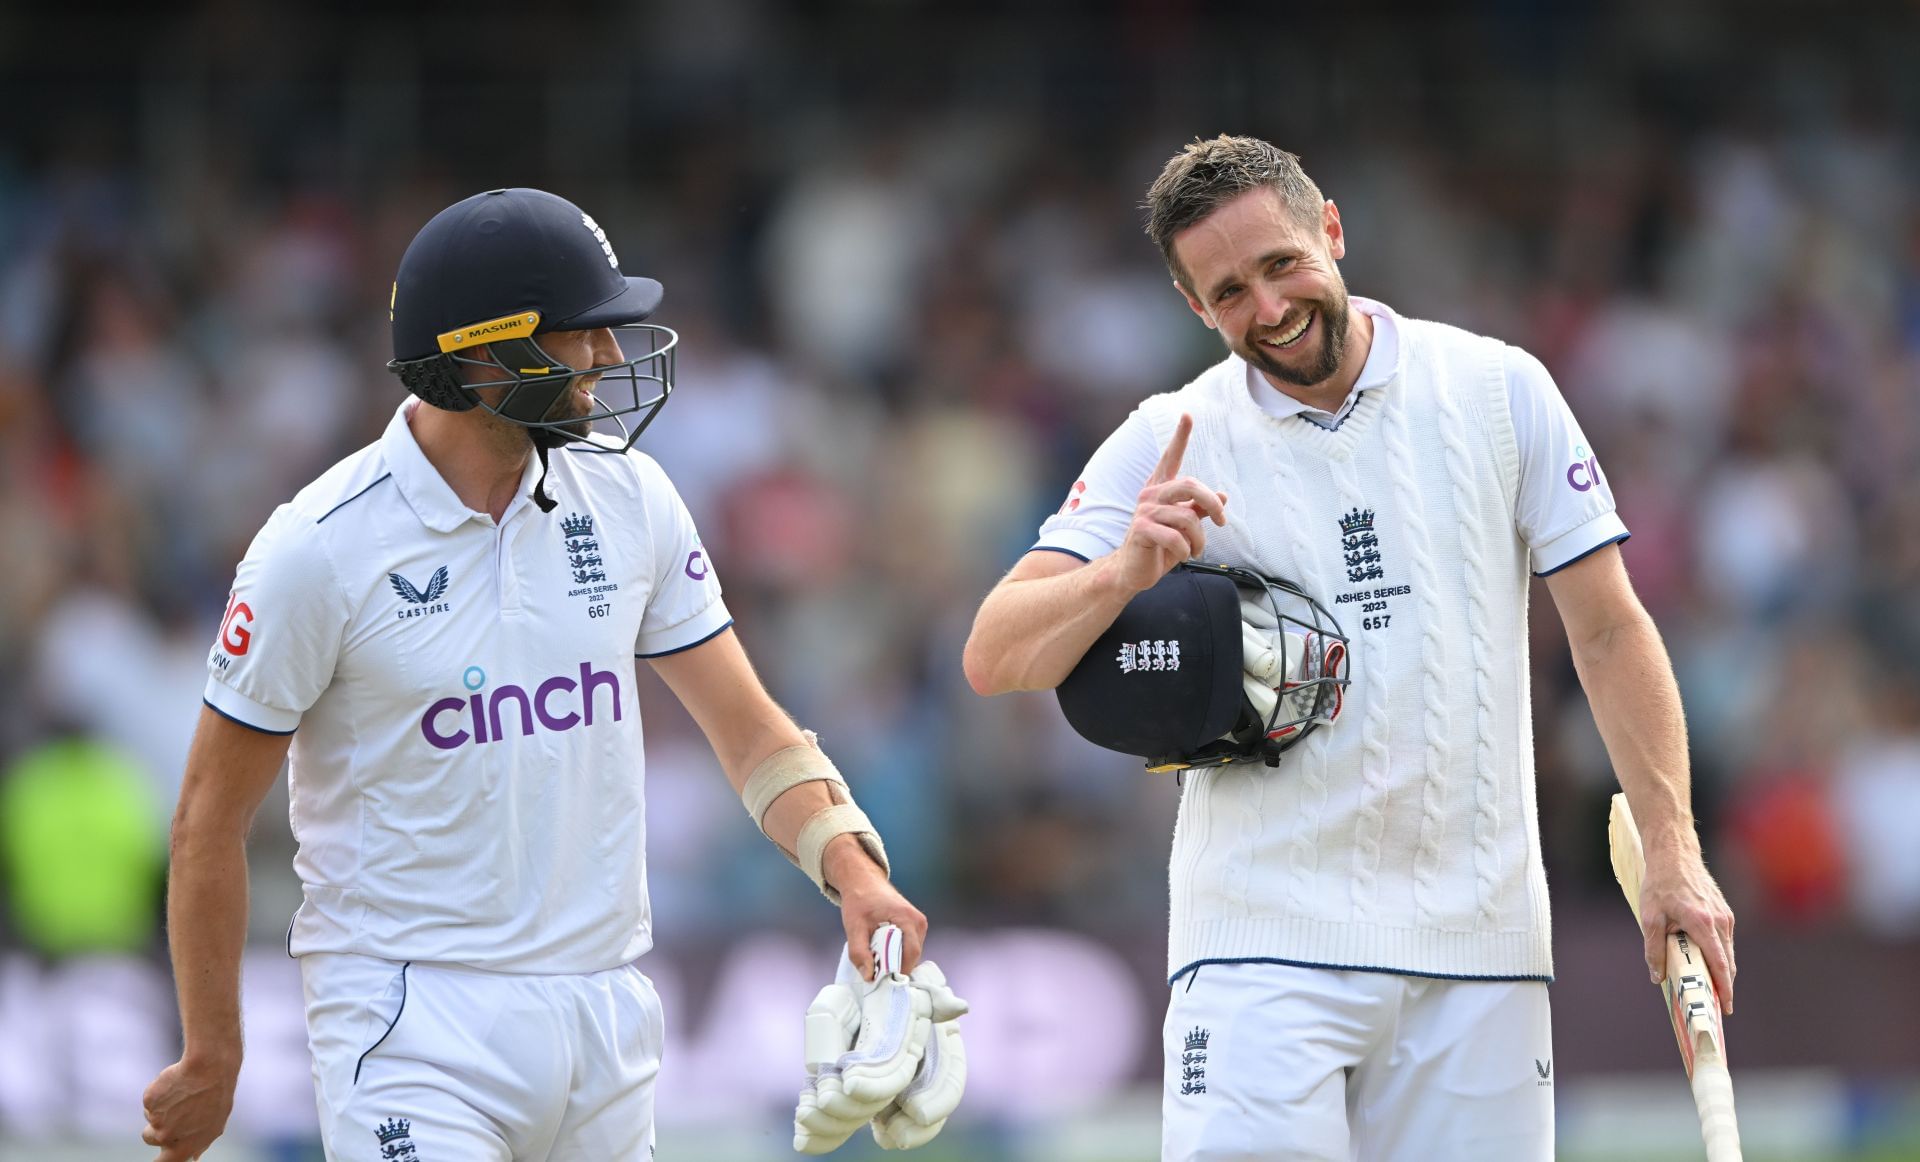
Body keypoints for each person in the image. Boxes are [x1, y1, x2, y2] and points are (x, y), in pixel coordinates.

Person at [962, 136, 1737, 1160]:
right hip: (1256, 948)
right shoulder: (1174, 429)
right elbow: (993, 653)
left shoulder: (1499, 390)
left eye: (1281, 263)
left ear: (1330, 228)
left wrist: (1674, 848)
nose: (1269, 309)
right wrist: (1121, 574)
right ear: (1197, 308)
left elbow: (1606, 626)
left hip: (1483, 948)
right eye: (1230, 291)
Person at [140, 188, 930, 1161]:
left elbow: (753, 733)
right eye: (577, 334)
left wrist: (854, 873)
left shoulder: (631, 496)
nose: (605, 358)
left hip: (605, 1008)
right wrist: (212, 1052)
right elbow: (207, 821)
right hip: (408, 1018)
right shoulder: (317, 549)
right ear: (478, 354)